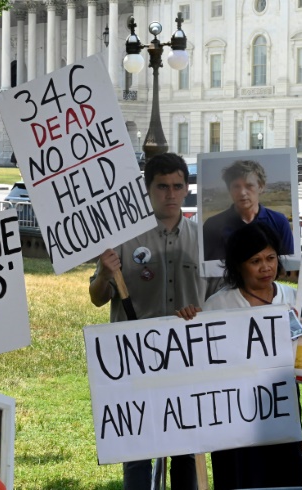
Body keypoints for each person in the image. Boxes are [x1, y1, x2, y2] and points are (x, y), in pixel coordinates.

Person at [89, 152, 206, 490]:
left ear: (187, 189)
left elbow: (218, 300)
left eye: (177, 186)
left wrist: (200, 314)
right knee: (137, 450)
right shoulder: (124, 241)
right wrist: (106, 272)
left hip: (189, 358)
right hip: (135, 360)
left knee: (186, 449)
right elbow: (98, 297)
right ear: (147, 190)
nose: (170, 194)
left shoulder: (204, 240)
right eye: (161, 187)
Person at [179, 222, 302, 489]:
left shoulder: (293, 299)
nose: (266, 267)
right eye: (255, 260)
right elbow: (199, 361)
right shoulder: (218, 305)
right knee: (237, 478)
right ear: (238, 265)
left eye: (271, 258)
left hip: (282, 407)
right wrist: (185, 324)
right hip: (233, 413)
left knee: (283, 478)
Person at [202, 160, 293, 262]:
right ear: (229, 189)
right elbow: (209, 267)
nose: (242, 192)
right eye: (236, 186)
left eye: (249, 186)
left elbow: (288, 266)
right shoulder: (212, 225)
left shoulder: (279, 222)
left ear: (261, 187)